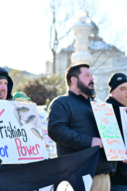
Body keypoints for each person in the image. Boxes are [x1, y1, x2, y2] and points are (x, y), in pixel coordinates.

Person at [47, 63, 116, 191]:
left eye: (92, 76)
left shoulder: (98, 106)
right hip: (78, 175)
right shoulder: (61, 103)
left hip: (104, 174)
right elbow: (56, 130)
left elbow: (108, 136)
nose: (92, 79)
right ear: (74, 80)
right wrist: (89, 141)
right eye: (87, 75)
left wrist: (118, 151)